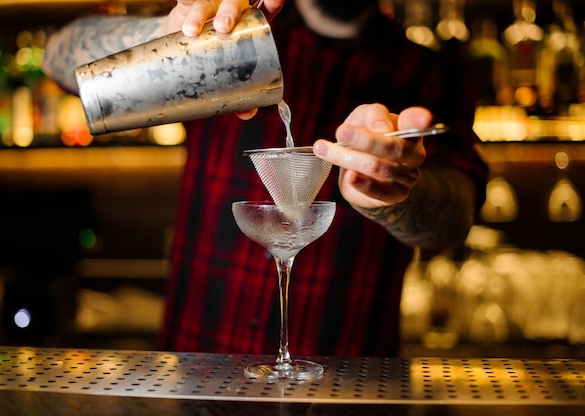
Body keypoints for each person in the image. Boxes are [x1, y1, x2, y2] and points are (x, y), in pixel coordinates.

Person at [42, 0, 487, 356]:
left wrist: (395, 193)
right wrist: (163, 39)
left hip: (343, 389)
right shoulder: (228, 35)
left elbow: (453, 219)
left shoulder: (432, 76)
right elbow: (56, 54)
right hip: (196, 378)